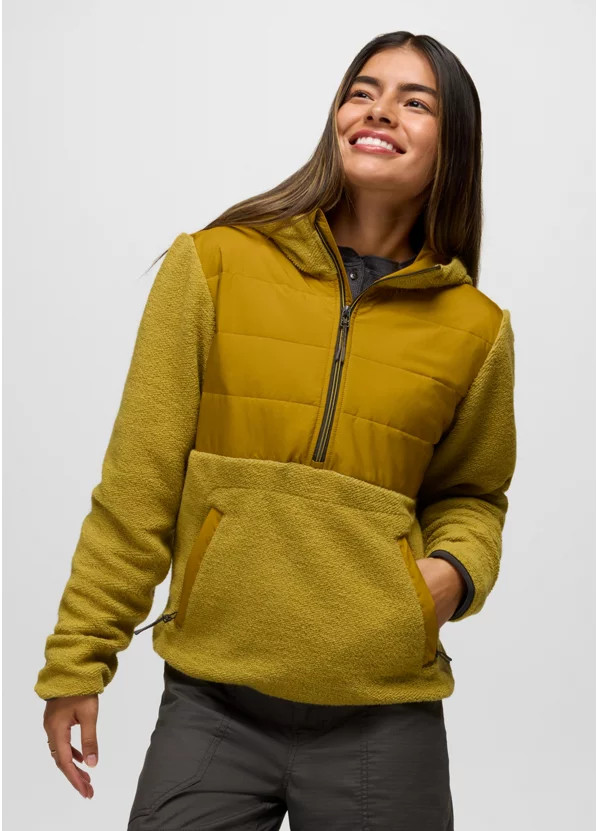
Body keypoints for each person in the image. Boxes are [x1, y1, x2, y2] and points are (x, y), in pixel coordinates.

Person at [36, 29, 517, 830]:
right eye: (362, 91)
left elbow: (471, 493)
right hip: (212, 704)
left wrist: (451, 574)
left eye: (415, 102)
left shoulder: (475, 327)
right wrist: (77, 659)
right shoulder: (214, 264)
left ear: (454, 144)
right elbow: (137, 484)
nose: (379, 111)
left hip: (381, 712)